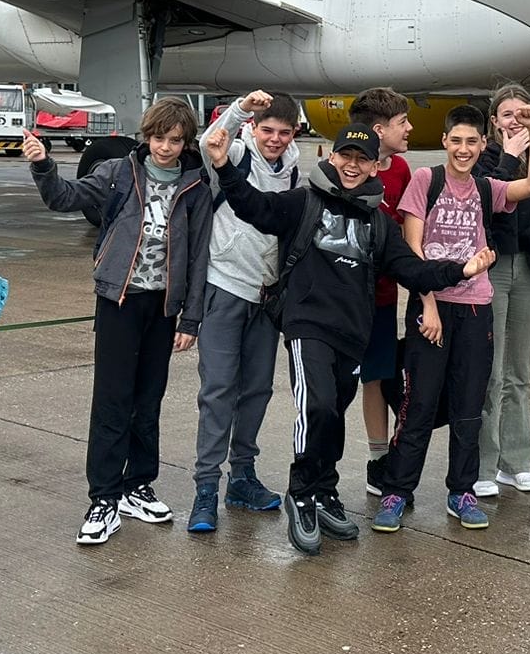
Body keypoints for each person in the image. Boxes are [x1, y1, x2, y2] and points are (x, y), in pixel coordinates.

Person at [203, 119, 489, 555]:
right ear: (332, 157)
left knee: (333, 415)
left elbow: (411, 268)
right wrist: (224, 165)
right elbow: (254, 206)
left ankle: (325, 489)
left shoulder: (379, 222)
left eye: (363, 160)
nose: (352, 166)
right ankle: (301, 491)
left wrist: (460, 270)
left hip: (352, 332)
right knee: (314, 406)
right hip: (307, 326)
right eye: (346, 157)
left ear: (375, 166)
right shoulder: (303, 202)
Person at [25, 98, 212, 548]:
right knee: (112, 401)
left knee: (148, 402)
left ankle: (137, 485)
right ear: (146, 136)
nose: (165, 147)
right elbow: (63, 198)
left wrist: (192, 317)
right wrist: (44, 165)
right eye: (158, 138)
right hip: (119, 301)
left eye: (174, 140)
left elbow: (201, 254)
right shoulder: (119, 172)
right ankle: (104, 498)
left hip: (163, 308)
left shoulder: (197, 185)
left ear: (186, 142)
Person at [374, 100, 530, 532]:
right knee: (419, 403)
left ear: (483, 143)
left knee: (470, 406)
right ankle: (398, 490)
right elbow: (414, 251)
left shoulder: (488, 188)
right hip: (431, 307)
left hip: (475, 307)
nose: (464, 149)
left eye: (473, 141)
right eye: (457, 141)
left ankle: (461, 490)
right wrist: (427, 304)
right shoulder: (425, 180)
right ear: (445, 142)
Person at [185, 88, 300, 534]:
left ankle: (243, 476)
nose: (274, 139)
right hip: (225, 287)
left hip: (265, 295)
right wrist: (239, 111)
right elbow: (207, 142)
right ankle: (206, 487)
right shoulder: (235, 151)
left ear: (294, 134)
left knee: (256, 391)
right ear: (254, 128)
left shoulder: (291, 168)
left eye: (284, 132)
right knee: (217, 391)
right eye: (267, 130)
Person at [475, 85, 530, 498]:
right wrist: (511, 153)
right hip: (492, 267)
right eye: (507, 114)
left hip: (527, 268)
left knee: (518, 371)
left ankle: (518, 460)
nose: (515, 121)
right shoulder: (485, 157)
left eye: (523, 114)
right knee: (489, 372)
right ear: (494, 121)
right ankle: (484, 463)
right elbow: (485, 199)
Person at [349, 88, 413, 490]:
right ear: (378, 129)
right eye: (402, 122)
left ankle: (378, 460)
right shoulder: (348, 167)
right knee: (335, 386)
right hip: (343, 299)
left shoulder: (402, 170)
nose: (409, 128)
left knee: (375, 377)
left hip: (384, 297)